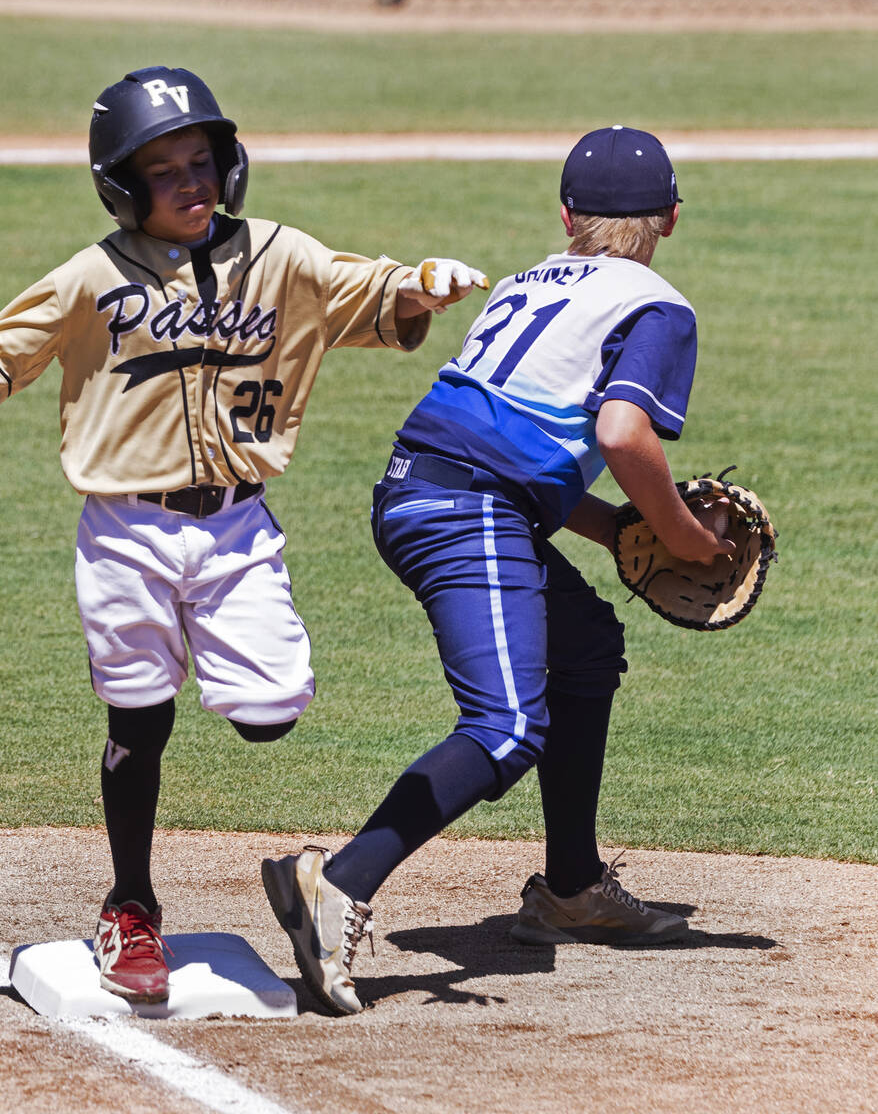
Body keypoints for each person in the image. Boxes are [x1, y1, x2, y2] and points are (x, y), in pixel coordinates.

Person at [0, 65, 488, 1006]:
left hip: (239, 527)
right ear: (122, 185)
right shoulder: (92, 277)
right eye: (164, 168)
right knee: (140, 722)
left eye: (202, 160)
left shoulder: (281, 257)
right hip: (126, 530)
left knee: (272, 709)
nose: (191, 181)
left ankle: (268, 839)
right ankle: (130, 906)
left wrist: (421, 285)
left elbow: (369, 292)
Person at [263, 125, 735, 1016]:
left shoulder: (528, 283)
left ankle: (571, 888)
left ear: (566, 217)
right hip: (466, 509)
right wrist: (677, 534)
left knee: (586, 648)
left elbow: (523, 452)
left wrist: (614, 531)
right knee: (509, 724)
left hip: (434, 490)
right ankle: (337, 882)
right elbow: (621, 435)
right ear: (670, 219)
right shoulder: (659, 306)